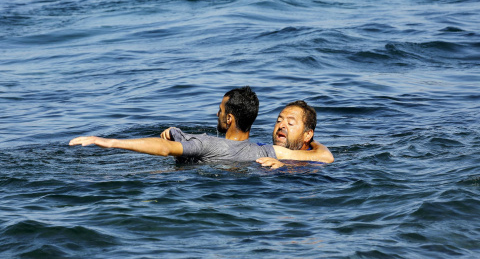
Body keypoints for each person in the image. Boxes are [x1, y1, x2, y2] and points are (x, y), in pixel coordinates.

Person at [69, 87, 329, 164]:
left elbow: (163, 149)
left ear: (229, 119)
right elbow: (324, 157)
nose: (281, 125)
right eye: (279, 120)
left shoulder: (208, 143)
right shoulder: (267, 152)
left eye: (219, 111)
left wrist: (107, 141)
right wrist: (177, 133)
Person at [256, 100, 334, 168]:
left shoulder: (313, 164)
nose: (281, 125)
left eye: (290, 123)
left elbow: (326, 157)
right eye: (279, 121)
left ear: (307, 135)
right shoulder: (263, 148)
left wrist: (284, 167)